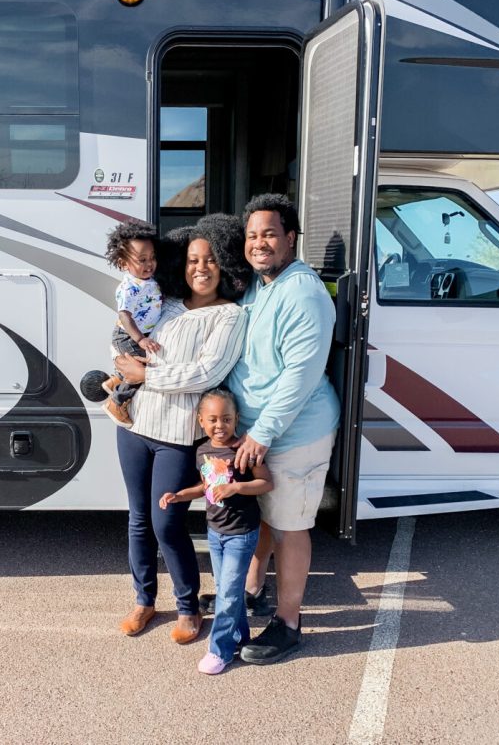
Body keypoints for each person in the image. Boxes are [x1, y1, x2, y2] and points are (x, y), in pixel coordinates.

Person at [114, 214, 251, 643]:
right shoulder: (166, 303)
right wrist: (125, 369)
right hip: (136, 426)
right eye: (192, 260)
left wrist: (146, 376)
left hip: (178, 438)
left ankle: (189, 607)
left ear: (224, 264)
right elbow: (128, 343)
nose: (200, 268)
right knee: (138, 519)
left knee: (166, 524)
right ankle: (144, 600)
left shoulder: (230, 317)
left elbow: (204, 373)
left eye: (210, 260)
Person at [226, 193, 340, 665]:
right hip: (261, 431)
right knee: (269, 517)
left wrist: (262, 433)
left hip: (294, 433)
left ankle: (290, 623)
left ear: (290, 238)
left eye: (270, 234)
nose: (259, 244)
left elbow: (300, 375)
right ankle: (253, 591)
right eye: (253, 236)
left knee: (291, 526)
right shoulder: (260, 285)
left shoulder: (303, 292)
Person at [159, 388, 273, 675]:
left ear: (236, 420)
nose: (219, 426)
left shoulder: (243, 449)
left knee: (230, 595)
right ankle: (240, 637)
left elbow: (266, 483)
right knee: (226, 590)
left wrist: (236, 487)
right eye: (212, 420)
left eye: (226, 419)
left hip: (241, 533)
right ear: (200, 421)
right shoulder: (203, 451)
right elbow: (205, 487)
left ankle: (219, 650)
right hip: (215, 531)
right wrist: (179, 495)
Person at [102, 220, 163, 427]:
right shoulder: (129, 287)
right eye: (142, 260)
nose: (149, 264)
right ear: (123, 263)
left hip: (136, 333)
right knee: (139, 369)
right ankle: (116, 403)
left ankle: (115, 381)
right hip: (128, 335)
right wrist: (140, 339)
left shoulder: (147, 281)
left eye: (152, 258)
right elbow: (125, 315)